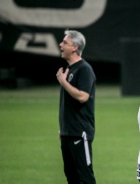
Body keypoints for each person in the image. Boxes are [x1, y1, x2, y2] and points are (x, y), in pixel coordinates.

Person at [56, 29, 96, 184]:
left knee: (85, 177)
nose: (61, 44)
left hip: (81, 133)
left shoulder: (84, 69)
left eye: (65, 42)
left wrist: (64, 82)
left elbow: (83, 96)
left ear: (74, 47)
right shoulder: (71, 69)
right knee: (71, 177)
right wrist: (63, 128)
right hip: (68, 132)